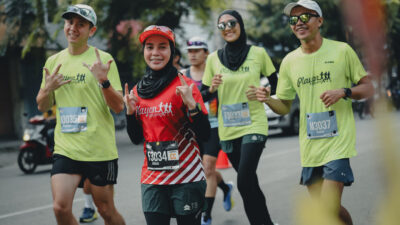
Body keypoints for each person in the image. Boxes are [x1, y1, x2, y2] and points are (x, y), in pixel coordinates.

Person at [256, 1, 374, 224]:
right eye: (293, 19)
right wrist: (268, 100)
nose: (298, 23)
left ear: (319, 20)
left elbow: (368, 87)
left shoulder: (342, 51)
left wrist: (344, 91)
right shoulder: (289, 62)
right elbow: (284, 106)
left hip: (338, 142)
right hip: (310, 146)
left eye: (305, 17)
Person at [36, 4, 126, 225]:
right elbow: (42, 105)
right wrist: (48, 89)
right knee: (60, 208)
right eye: (70, 22)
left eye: (81, 24)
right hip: (66, 148)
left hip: (98, 149)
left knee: (105, 210)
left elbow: (118, 107)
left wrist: (104, 81)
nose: (73, 28)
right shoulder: (53, 62)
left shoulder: (103, 60)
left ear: (91, 30)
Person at [124, 25, 211, 225]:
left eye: (162, 47)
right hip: (152, 179)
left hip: (187, 176)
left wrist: (192, 105)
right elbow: (136, 139)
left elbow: (205, 134)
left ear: (172, 51)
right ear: (144, 51)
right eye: (149, 47)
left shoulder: (184, 86)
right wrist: (129, 113)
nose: (155, 53)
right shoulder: (138, 91)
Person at [202, 9, 277, 225]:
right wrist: (212, 89)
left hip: (254, 124)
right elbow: (204, 94)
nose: (228, 28)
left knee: (243, 180)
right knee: (250, 183)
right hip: (228, 129)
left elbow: (275, 80)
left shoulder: (258, 53)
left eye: (232, 22)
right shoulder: (213, 59)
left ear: (241, 25)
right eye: (222, 25)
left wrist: (267, 93)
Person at [181, 36, 234, 225]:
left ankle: (206, 215)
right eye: (190, 51)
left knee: (209, 167)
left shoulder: (215, 74)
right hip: (192, 130)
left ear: (206, 53)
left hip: (214, 127)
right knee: (204, 171)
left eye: (197, 51)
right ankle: (225, 188)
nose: (192, 55)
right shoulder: (182, 75)